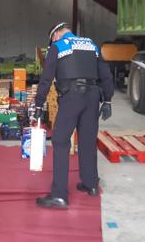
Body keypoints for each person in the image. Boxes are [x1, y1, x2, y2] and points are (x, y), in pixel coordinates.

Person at [34, 22, 114, 209]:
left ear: (56, 35)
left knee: (61, 141)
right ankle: (90, 184)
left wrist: (38, 103)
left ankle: (59, 195)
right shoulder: (92, 45)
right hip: (93, 96)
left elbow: (46, 78)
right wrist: (108, 100)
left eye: (52, 38)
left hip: (71, 96)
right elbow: (106, 74)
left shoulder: (58, 46)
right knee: (87, 140)